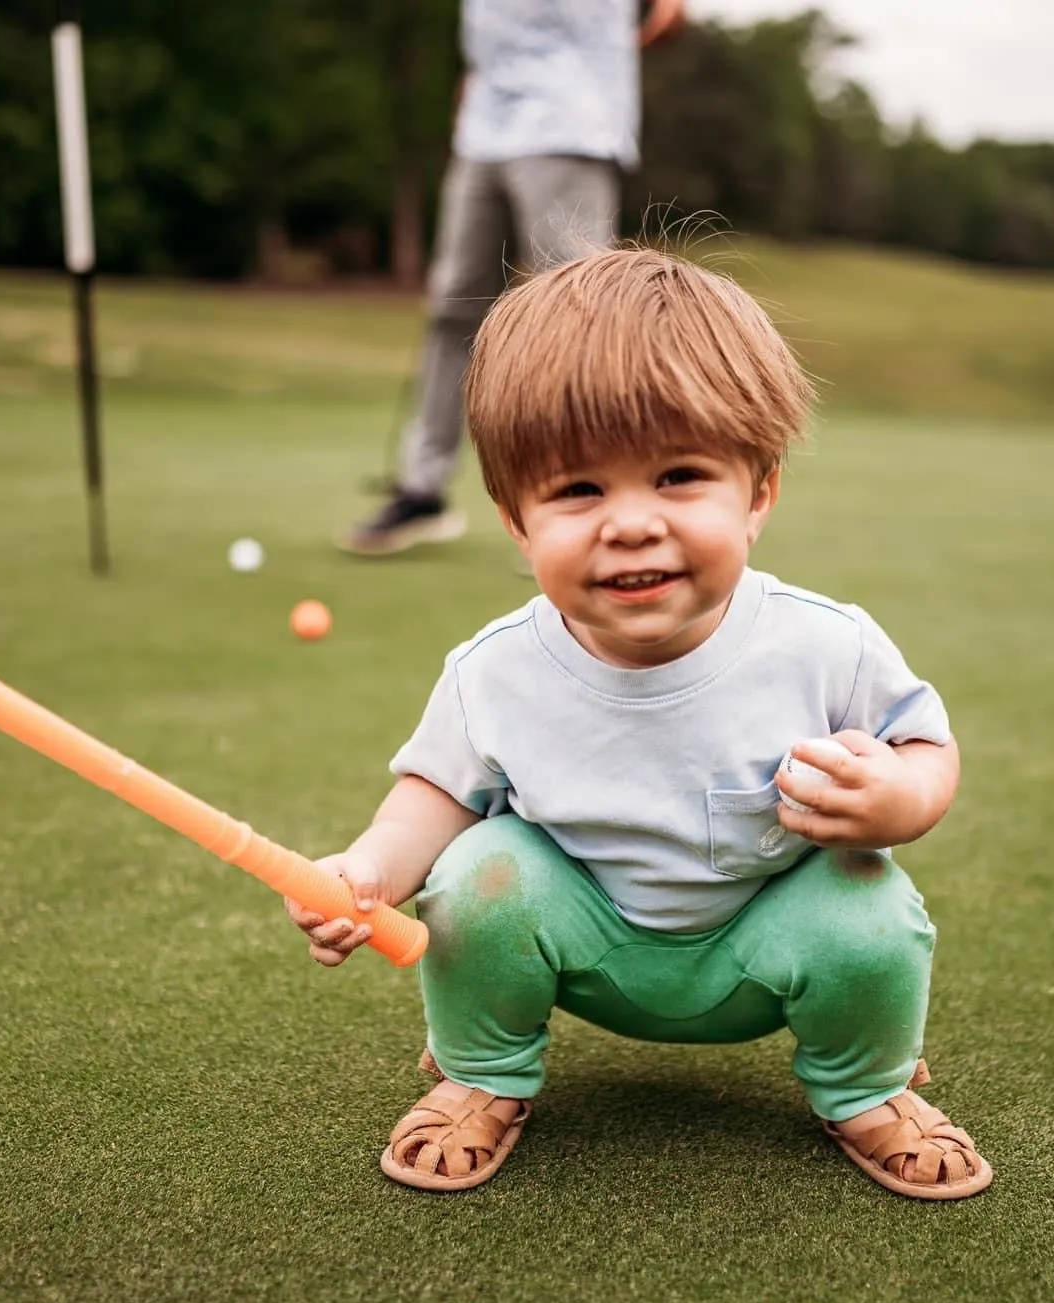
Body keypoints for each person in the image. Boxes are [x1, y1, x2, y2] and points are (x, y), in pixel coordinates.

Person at [289, 247, 993, 1199]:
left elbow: (927, 750)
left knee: (868, 908)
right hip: (590, 948)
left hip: (762, 943)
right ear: (514, 520)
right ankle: (483, 1072)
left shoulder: (825, 645)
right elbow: (430, 801)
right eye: (578, 490)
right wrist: (364, 873)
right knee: (478, 872)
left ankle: (863, 1086)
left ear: (758, 493)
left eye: (678, 476)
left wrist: (901, 797)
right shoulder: (494, 669)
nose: (629, 523)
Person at [336, 0, 686, 556]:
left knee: (579, 312)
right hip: (485, 126)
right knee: (455, 308)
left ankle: (594, 496)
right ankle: (423, 489)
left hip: (568, 117)